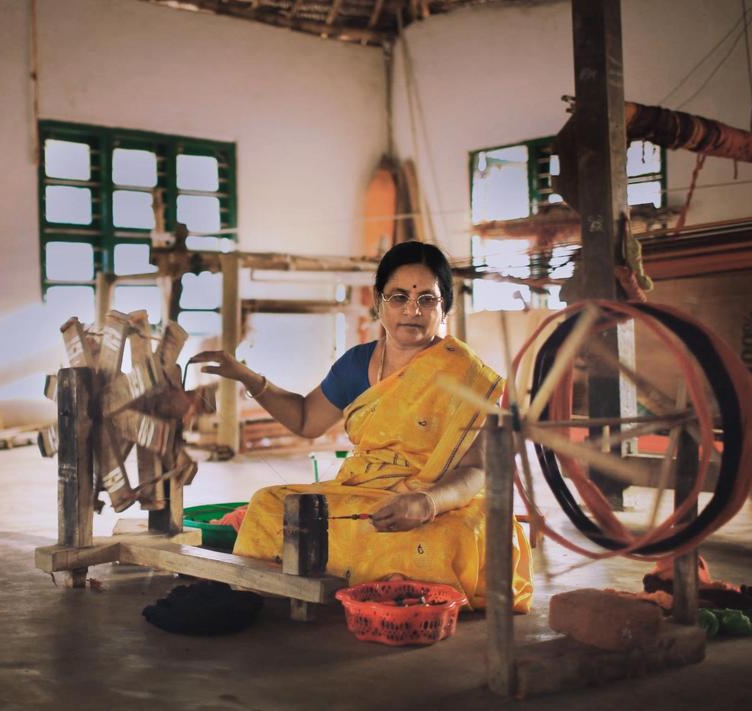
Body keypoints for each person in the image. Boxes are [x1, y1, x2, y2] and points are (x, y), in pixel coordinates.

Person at [189, 241, 532, 612]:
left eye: (427, 299)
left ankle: (375, 588)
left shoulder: (466, 373)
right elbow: (306, 420)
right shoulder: (357, 364)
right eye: (398, 297)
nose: (412, 310)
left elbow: (478, 469)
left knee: (447, 539)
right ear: (378, 302)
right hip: (364, 491)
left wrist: (427, 503)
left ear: (444, 306)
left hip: (442, 501)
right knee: (268, 506)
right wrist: (248, 377)